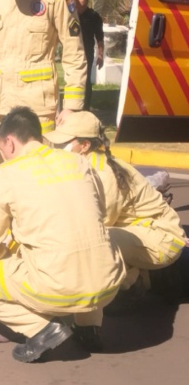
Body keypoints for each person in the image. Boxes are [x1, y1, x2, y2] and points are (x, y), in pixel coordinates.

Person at [0, 106, 126, 363]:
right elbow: (96, 214)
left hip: (55, 289)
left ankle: (41, 329)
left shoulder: (5, 175)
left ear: (9, 142)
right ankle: (88, 328)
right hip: (108, 285)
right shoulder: (78, 162)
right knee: (87, 247)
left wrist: (8, 251)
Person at [44, 111, 186, 321]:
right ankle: (135, 273)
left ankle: (128, 283)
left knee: (92, 242)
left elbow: (95, 229)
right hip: (135, 233)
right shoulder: (82, 166)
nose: (57, 148)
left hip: (160, 239)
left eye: (64, 142)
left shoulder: (102, 174)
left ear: (84, 146)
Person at [0, 0, 87, 186]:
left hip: (38, 110)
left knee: (38, 177)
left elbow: (74, 55)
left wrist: (72, 107)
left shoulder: (57, 2)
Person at [76, 0, 104, 110]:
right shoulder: (69, 14)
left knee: (86, 79)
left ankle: (85, 106)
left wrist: (100, 55)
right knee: (72, 78)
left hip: (87, 53)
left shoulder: (94, 16)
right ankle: (72, 106)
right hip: (72, 52)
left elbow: (100, 38)